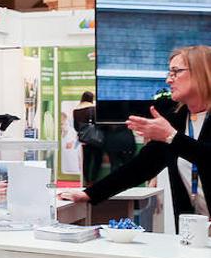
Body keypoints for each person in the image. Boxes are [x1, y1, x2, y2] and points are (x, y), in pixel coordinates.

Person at [61, 46, 211, 227]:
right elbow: (140, 167)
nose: (168, 80)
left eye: (175, 72)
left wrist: (171, 136)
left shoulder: (171, 130)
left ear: (202, 72)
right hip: (195, 230)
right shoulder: (178, 119)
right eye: (169, 72)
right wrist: (91, 193)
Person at [72, 91, 103, 184]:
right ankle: (93, 180)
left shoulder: (76, 110)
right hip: (96, 138)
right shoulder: (93, 109)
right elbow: (99, 124)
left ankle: (86, 180)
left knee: (86, 160)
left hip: (84, 139)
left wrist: (82, 133)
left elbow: (76, 127)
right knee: (97, 159)